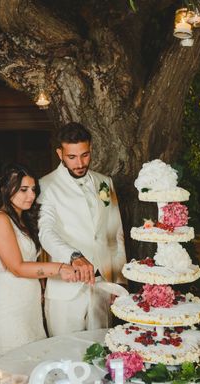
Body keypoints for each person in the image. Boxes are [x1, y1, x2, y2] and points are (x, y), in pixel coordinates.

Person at [0, 163, 77, 371]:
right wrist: (59, 268)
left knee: (32, 363)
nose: (31, 195)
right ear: (6, 189)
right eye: (23, 190)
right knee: (10, 366)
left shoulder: (24, 222)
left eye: (33, 190)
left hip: (28, 305)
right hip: (7, 305)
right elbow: (17, 267)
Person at [38, 122, 127, 336]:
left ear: (91, 149)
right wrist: (74, 256)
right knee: (64, 354)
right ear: (60, 153)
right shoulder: (45, 185)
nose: (80, 163)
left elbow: (115, 234)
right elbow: (45, 232)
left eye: (85, 155)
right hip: (65, 290)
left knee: (100, 350)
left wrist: (118, 282)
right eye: (72, 157)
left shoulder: (105, 182)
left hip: (103, 287)